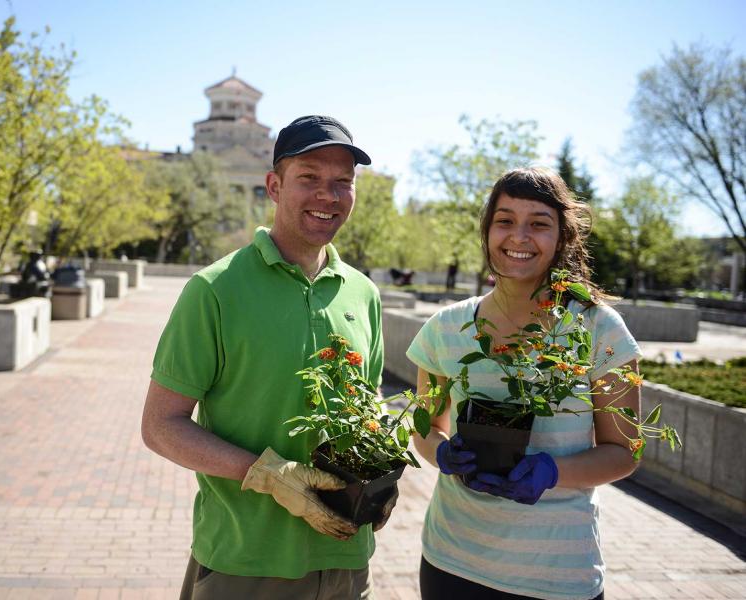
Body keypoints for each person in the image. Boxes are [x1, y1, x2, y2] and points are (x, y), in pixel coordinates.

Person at [141, 115, 387, 600]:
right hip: (244, 562)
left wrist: (380, 469)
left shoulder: (364, 294)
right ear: (274, 186)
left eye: (343, 182)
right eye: (309, 178)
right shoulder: (215, 290)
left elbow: (370, 403)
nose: (328, 195)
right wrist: (269, 475)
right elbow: (160, 426)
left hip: (347, 563)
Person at [407, 167, 642, 600]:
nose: (519, 236)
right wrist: (441, 452)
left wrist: (552, 472)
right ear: (487, 231)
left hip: (556, 576)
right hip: (450, 562)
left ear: (563, 239)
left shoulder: (599, 329)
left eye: (538, 224)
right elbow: (424, 426)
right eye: (505, 220)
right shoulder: (446, 327)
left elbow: (623, 452)